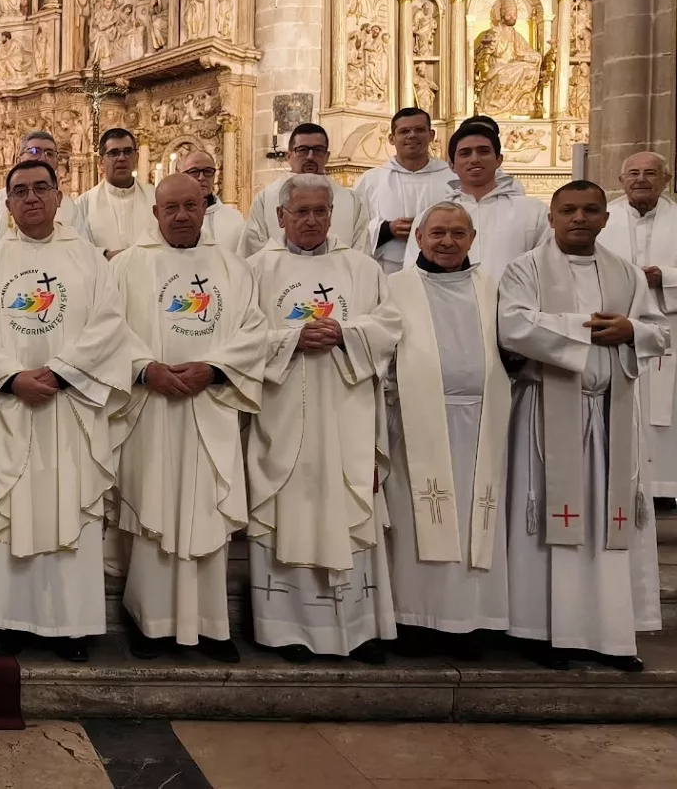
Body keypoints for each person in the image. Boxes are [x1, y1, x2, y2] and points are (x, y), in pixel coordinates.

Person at [0, 159, 135, 661]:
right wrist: (13, 378)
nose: (32, 197)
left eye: (41, 188)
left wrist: (59, 373)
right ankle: (5, 618)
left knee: (67, 506)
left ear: (60, 197)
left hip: (69, 407)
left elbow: (109, 324)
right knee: (8, 512)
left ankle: (70, 624)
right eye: (20, 191)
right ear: (7, 203)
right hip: (10, 406)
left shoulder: (88, 259)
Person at [499, 180, 667, 671]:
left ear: (605, 218)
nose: (579, 218)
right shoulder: (524, 269)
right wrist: (587, 330)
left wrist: (632, 330)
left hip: (612, 410)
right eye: (568, 210)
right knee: (549, 520)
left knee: (608, 524)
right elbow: (512, 325)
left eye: (590, 210)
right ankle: (542, 632)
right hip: (546, 411)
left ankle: (610, 635)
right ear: (551, 217)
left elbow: (661, 329)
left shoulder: (629, 275)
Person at [246, 174, 402, 663]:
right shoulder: (253, 270)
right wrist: (292, 339)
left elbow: (389, 324)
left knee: (346, 500)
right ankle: (286, 629)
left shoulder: (361, 267)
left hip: (345, 408)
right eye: (301, 212)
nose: (311, 220)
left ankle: (359, 629)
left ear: (332, 215)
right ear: (280, 217)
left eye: (320, 211)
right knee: (290, 509)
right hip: (282, 410)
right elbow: (240, 338)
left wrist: (345, 333)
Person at [111, 174, 266, 664]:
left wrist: (215, 368)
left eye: (190, 205)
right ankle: (147, 621)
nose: (180, 215)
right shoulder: (127, 266)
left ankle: (212, 625)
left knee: (206, 511)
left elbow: (254, 330)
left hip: (209, 407)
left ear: (206, 207)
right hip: (150, 409)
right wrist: (144, 368)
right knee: (152, 507)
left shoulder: (232, 268)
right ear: (155, 214)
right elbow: (106, 329)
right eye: (170, 207)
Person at [382, 202, 511, 660]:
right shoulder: (394, 287)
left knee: (477, 520)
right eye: (437, 233)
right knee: (416, 521)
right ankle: (415, 622)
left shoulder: (492, 287)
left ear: (473, 239)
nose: (447, 242)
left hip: (481, 424)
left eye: (458, 233)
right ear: (418, 237)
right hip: (415, 424)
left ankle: (474, 621)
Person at [597, 153, 677, 499]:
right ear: (620, 179)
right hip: (618, 328)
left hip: (671, 325)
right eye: (633, 173)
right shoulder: (603, 218)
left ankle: (666, 490)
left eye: (650, 173)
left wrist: (666, 277)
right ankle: (624, 487)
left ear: (666, 179)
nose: (641, 179)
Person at [399, 124, 548, 273]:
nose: (475, 159)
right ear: (452, 165)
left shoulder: (534, 211)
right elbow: (414, 273)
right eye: (465, 153)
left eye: (483, 152)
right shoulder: (430, 216)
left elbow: (548, 267)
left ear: (498, 160)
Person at [240, 123, 372, 258]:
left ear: (326, 156)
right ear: (289, 156)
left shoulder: (350, 201)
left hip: (339, 276)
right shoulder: (266, 198)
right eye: (302, 150)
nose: (310, 156)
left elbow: (361, 252)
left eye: (318, 150)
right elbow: (254, 251)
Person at [354, 107, 452, 273]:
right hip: (386, 271)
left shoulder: (452, 178)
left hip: (441, 271)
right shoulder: (371, 180)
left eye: (419, 130)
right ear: (392, 139)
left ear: (431, 135)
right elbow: (354, 229)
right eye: (404, 131)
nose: (412, 135)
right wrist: (387, 229)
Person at [0, 130, 93, 260]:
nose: (43, 157)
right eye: (35, 151)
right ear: (19, 159)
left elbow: (82, 251)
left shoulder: (69, 206)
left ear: (56, 163)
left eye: (49, 153)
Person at [75, 128, 155, 258]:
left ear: (136, 157)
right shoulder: (83, 204)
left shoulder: (155, 197)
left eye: (128, 152)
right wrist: (106, 255)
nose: (122, 158)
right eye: (114, 153)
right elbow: (78, 250)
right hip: (104, 275)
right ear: (101, 162)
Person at [177, 150, 244, 247]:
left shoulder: (235, 218)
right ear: (182, 176)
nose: (201, 177)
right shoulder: (175, 219)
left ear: (215, 175)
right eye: (194, 171)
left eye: (208, 171)